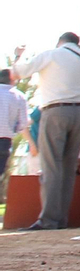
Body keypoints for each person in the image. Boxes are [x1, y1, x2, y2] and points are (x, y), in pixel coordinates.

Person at [12, 34, 80, 231]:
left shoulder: (51, 55)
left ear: (60, 42)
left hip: (56, 110)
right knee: (69, 167)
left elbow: (18, 72)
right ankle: (61, 219)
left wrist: (18, 56)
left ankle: (49, 220)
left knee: (51, 166)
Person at [0, 68, 28, 203]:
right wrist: (13, 130)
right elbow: (23, 123)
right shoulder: (19, 96)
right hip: (4, 140)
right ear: (12, 80)